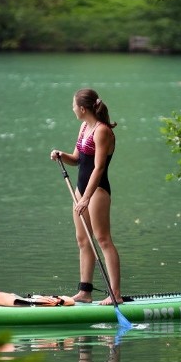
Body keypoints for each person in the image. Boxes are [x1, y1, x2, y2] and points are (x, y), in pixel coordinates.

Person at [50, 88, 123, 305]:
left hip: (97, 190)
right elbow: (77, 159)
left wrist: (86, 198)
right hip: (81, 190)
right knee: (83, 240)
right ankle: (85, 291)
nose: (72, 109)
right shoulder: (84, 127)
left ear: (82, 108)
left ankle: (115, 293)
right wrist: (61, 155)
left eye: (73, 105)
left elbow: (99, 167)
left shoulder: (102, 131)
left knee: (102, 239)